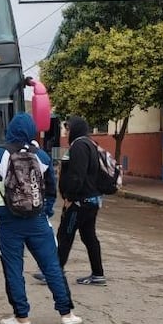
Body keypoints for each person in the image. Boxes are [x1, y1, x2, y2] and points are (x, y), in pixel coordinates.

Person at [0, 113, 82, 324]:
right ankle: (67, 314)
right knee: (52, 266)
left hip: (7, 222)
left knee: (13, 269)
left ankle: (21, 318)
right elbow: (51, 190)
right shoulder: (42, 157)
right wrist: (44, 212)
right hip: (37, 221)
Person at [34, 117, 107, 286]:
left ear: (76, 129)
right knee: (89, 237)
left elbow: (77, 176)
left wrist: (70, 197)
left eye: (68, 128)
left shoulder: (80, 146)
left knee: (65, 234)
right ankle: (98, 274)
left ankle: (54, 271)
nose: (66, 132)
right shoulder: (89, 144)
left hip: (79, 202)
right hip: (90, 200)